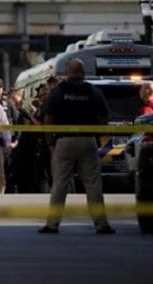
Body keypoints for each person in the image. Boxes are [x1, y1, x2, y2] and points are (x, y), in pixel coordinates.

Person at [38, 58, 115, 234]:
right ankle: (101, 223)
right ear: (83, 72)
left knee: (59, 183)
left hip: (64, 142)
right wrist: (96, 135)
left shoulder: (58, 92)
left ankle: (52, 223)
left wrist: (50, 142)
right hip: (87, 141)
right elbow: (104, 117)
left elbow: (48, 119)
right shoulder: (93, 91)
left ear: (67, 73)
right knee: (93, 183)